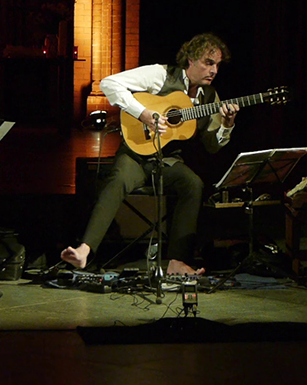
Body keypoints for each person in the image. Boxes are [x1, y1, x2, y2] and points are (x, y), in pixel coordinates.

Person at [61, 33, 240, 276]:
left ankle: (177, 260)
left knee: (193, 184)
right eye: (209, 63)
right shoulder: (161, 75)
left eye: (218, 65)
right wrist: (143, 113)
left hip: (167, 161)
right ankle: (84, 250)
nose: (214, 70)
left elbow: (212, 146)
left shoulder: (209, 98)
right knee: (118, 180)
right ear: (190, 60)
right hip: (135, 155)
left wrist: (227, 125)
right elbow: (108, 83)